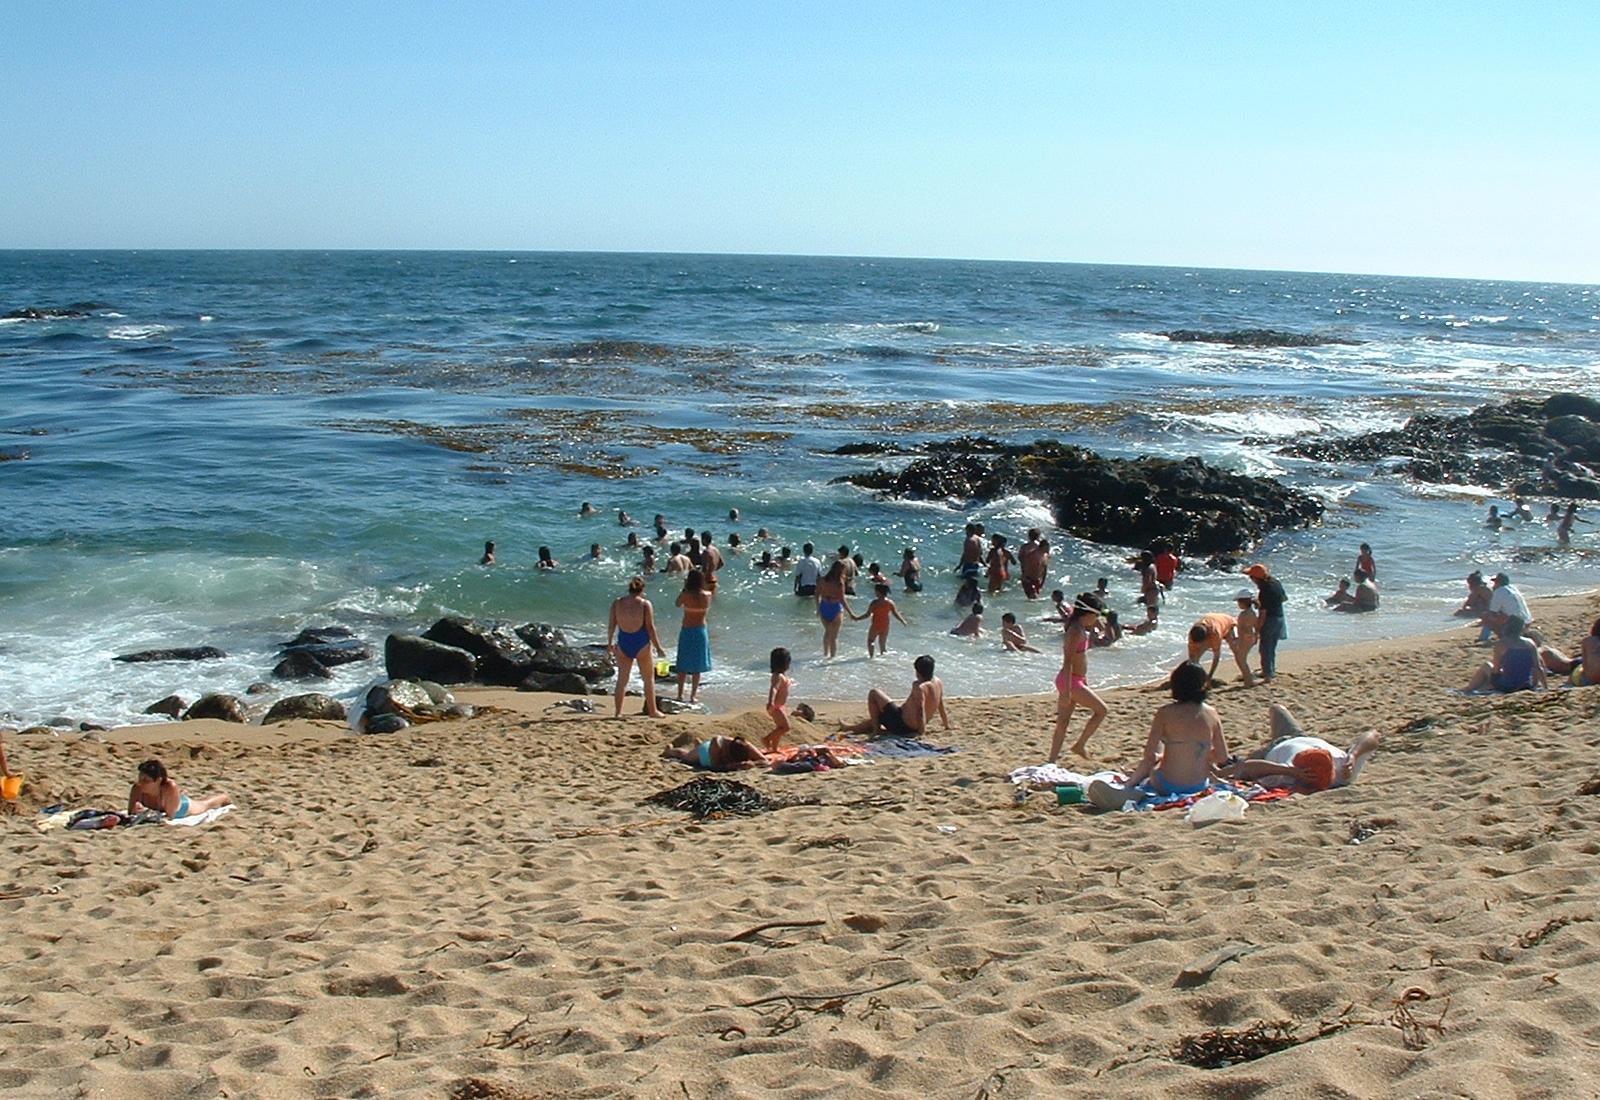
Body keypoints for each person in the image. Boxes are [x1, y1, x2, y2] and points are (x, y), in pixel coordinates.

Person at [1086, 660, 1228, 810]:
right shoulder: (1212, 713)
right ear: (1203, 684)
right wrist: (1197, 752)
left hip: (1166, 784)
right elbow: (1222, 756)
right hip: (1198, 785)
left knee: (1156, 756)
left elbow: (1149, 757)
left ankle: (1128, 788)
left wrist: (1163, 759)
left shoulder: (1165, 713)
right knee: (1174, 750)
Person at [1221, 704, 1381, 791]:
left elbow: (1247, 767)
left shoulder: (1287, 775)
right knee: (1277, 708)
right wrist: (1353, 755)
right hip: (1300, 736)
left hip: (1275, 748)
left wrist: (1289, 771)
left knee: (1237, 765)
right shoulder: (1344, 769)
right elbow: (1373, 735)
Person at [1050, 593, 1109, 761]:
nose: (1097, 618)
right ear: (1088, 613)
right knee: (1102, 710)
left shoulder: (1081, 628)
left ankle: (1051, 760)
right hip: (1070, 681)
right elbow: (1068, 661)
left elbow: (1081, 658)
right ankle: (1080, 745)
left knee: (1063, 723)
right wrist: (1067, 691)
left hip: (1076, 680)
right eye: (1097, 615)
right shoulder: (1075, 630)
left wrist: (1084, 680)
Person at [841, 654, 950, 738]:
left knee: (874, 693)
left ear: (917, 671)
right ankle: (850, 728)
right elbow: (940, 705)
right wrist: (946, 725)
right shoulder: (938, 682)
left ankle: (875, 730)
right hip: (910, 724)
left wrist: (921, 733)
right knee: (880, 717)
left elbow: (920, 710)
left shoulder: (919, 686)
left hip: (903, 725)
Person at [607, 576, 667, 718]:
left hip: (623, 642)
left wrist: (609, 643)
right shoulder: (645, 604)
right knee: (648, 679)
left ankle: (618, 712)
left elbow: (611, 625)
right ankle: (652, 711)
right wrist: (658, 647)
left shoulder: (617, 603)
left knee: (622, 680)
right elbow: (650, 628)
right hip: (641, 643)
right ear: (642, 590)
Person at [128, 759, 231, 821]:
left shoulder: (169, 787)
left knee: (205, 805)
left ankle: (223, 797)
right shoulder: (137, 788)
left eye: (146, 780)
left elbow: (170, 816)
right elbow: (130, 813)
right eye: (140, 778)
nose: (141, 783)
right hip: (168, 803)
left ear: (158, 780)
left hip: (181, 807)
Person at [1464, 616, 1545, 693]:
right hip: (1525, 685)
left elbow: (1496, 669)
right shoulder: (1530, 643)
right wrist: (1543, 687)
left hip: (1507, 687)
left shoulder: (1502, 644)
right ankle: (1482, 686)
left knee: (1486, 666)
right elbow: (1537, 667)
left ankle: (1469, 688)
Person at [673, 569, 713, 703]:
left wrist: (684, 588)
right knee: (697, 665)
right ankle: (693, 696)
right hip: (701, 630)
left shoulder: (686, 594)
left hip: (687, 629)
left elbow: (677, 604)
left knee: (682, 664)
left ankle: (679, 694)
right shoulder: (707, 595)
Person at [1245, 563, 1288, 681]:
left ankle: (1268, 674)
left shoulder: (1264, 590)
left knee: (1264, 648)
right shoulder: (1276, 583)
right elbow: (1284, 598)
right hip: (1279, 617)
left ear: (1256, 578)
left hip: (1270, 620)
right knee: (1271, 647)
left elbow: (1263, 614)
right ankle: (1270, 670)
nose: (1251, 579)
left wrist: (1257, 629)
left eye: (1251, 577)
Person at [1186, 611, 1252, 686]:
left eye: (1200, 644)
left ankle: (1247, 678)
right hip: (1213, 621)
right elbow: (1191, 657)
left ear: (1206, 638)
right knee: (1195, 656)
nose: (1198, 646)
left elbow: (1216, 656)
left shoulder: (1215, 634)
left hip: (1229, 624)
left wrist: (1210, 676)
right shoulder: (1192, 635)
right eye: (1196, 644)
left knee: (1237, 653)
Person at [814, 559, 857, 658]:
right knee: (834, 636)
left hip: (824, 607)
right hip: (835, 608)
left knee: (828, 632)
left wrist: (818, 607)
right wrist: (851, 613)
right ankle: (831, 658)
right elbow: (842, 600)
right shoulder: (839, 583)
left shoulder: (822, 580)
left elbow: (817, 594)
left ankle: (825, 655)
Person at [1539, 616, 1600, 686]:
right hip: (1582, 668)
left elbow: (1589, 673)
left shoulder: (1591, 642)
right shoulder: (1592, 643)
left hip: (1582, 670)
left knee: (1562, 662)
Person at [661, 733, 767, 771]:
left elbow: (764, 761)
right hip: (705, 755)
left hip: (713, 752)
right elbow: (714, 767)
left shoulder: (745, 745)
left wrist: (753, 764)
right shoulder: (717, 744)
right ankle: (669, 751)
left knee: (691, 752)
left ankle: (698, 744)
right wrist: (733, 765)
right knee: (685, 756)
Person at [1481, 572, 1532, 641]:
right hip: (1527, 621)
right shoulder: (1513, 588)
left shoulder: (1499, 591)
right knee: (1501, 615)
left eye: (1495, 583)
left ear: (1498, 583)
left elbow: (1492, 611)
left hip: (1516, 623)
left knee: (1486, 616)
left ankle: (1486, 638)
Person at [865, 583, 908, 657]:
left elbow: (867, 614)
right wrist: (902, 621)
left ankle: (871, 657)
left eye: (875, 591)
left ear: (878, 592)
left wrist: (856, 618)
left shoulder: (875, 602)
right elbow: (896, 614)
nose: (875, 593)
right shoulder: (890, 602)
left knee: (871, 641)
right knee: (882, 644)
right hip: (885, 625)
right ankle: (883, 658)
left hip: (876, 625)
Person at [765, 647, 794, 751]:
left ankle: (774, 748)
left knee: (780, 727)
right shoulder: (777, 676)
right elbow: (774, 689)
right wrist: (771, 702)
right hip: (776, 706)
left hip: (780, 706)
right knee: (786, 727)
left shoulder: (781, 675)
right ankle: (766, 739)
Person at [1232, 589, 1260, 676]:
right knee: (1241, 658)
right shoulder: (1253, 613)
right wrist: (1256, 636)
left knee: (1241, 659)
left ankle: (1248, 677)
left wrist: (1238, 640)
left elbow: (1241, 629)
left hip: (1244, 638)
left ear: (1243, 602)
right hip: (1251, 636)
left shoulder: (1243, 615)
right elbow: (1256, 626)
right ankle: (1247, 675)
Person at [1018, 529, 1050, 599]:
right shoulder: (1043, 550)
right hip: (1038, 577)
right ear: (1039, 536)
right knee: (1034, 597)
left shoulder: (1025, 547)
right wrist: (1042, 581)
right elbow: (1045, 567)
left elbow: (1020, 559)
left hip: (1027, 575)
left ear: (1029, 536)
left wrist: (1023, 572)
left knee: (1032, 598)